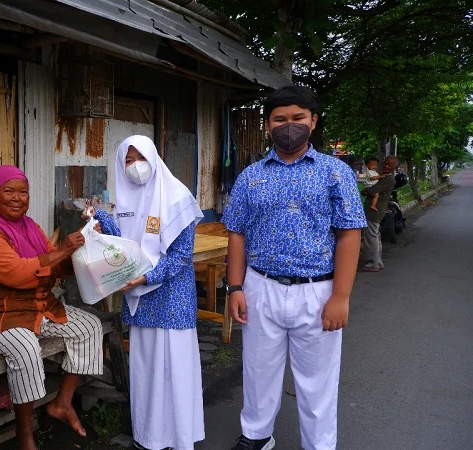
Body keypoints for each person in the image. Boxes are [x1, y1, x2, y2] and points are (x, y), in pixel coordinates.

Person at [221, 85, 367, 450]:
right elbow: (236, 233)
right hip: (260, 287)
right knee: (258, 370)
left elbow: (349, 234)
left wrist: (341, 297)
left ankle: (319, 445)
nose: (290, 126)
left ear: (313, 121)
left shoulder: (336, 173)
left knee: (317, 380)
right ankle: (256, 436)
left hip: (317, 290)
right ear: (267, 125)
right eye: (280, 119)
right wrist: (235, 288)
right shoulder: (251, 176)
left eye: (298, 118)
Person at [0, 165, 104, 450]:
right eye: (8, 191)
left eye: (23, 192)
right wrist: (64, 248)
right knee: (25, 347)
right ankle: (24, 432)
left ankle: (61, 403)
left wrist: (83, 242)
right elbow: (16, 273)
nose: (17, 198)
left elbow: (56, 267)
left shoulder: (31, 227)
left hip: (31, 307)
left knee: (90, 327)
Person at [86, 135, 205, 450]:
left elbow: (181, 257)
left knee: (174, 370)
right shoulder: (127, 201)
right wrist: (100, 220)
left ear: (154, 158)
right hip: (140, 300)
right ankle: (150, 437)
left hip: (172, 298)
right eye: (128, 160)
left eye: (141, 157)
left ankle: (179, 438)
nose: (135, 165)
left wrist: (146, 277)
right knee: (146, 369)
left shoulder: (177, 197)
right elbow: (126, 245)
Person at [359, 155, 400, 272]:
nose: (386, 166)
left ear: (395, 167)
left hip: (374, 211)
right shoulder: (380, 177)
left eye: (389, 165)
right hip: (375, 210)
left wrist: (367, 190)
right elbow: (366, 190)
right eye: (385, 163)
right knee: (375, 237)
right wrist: (366, 190)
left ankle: (373, 264)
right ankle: (377, 262)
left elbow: (370, 190)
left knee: (371, 237)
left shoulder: (388, 179)